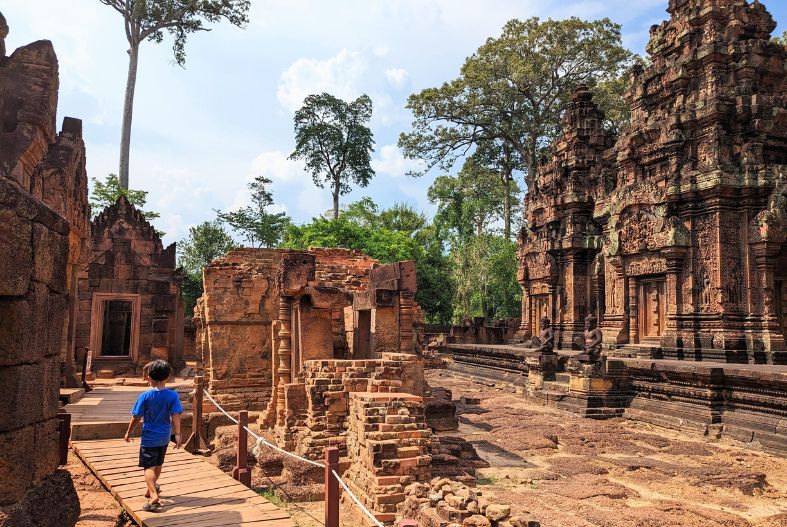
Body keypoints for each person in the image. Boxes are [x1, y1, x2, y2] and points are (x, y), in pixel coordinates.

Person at [124, 360, 183, 511]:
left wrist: (129, 432)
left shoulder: (145, 396)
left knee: (148, 466)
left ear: (149, 376)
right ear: (168, 377)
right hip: (164, 435)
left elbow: (136, 416)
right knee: (158, 464)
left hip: (149, 436)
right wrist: (177, 434)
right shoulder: (172, 395)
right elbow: (176, 415)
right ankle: (151, 488)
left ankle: (153, 494)